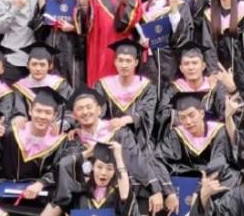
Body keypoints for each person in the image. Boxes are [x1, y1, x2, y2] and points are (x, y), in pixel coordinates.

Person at [53, 87, 175, 215]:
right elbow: (67, 171)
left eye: (89, 107)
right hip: (87, 197)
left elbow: (136, 161)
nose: (85, 112)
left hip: (121, 194)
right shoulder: (74, 140)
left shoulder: (118, 133)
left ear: (99, 110)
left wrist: (155, 189)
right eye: (80, 108)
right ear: (74, 115)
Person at [0, 87, 69, 215]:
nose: (42, 116)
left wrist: (41, 183)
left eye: (47, 113)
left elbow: (63, 169)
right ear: (30, 110)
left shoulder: (61, 142)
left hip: (39, 197)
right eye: (38, 111)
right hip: (3, 193)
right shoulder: (10, 133)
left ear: (55, 116)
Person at [155, 91, 238, 187]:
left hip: (213, 181)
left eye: (191, 115)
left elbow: (220, 161)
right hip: (185, 183)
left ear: (201, 113)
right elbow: (159, 158)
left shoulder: (218, 131)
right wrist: (191, 172)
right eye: (182, 117)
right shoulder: (176, 134)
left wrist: (197, 173)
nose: (188, 122)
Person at [137, 0, 194, 86]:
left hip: (170, 60)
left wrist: (174, 11)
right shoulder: (144, 7)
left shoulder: (180, 5)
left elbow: (183, 35)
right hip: (148, 61)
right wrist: (140, 42)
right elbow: (137, 34)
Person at [155, 42, 228, 137]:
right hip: (181, 138)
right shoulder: (173, 89)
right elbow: (162, 115)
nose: (191, 67)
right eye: (186, 64)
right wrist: (189, 117)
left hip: (210, 137)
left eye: (195, 63)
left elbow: (225, 114)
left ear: (203, 66)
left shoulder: (215, 87)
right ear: (181, 68)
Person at [33, 0, 86, 88]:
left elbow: (87, 24)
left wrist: (73, 28)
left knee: (73, 81)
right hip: (52, 42)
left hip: (73, 46)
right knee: (52, 81)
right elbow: (37, 24)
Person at [43, 142, 137, 216]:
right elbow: (63, 165)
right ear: (92, 167)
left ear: (114, 172)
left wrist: (119, 157)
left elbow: (125, 195)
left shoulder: (117, 194)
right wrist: (87, 153)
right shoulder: (79, 192)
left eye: (109, 169)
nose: (103, 173)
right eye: (99, 167)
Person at [94, 39, 157, 147]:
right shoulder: (103, 85)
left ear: (136, 62)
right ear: (115, 62)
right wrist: (109, 124)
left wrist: (125, 120)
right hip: (110, 135)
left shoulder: (147, 87)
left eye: (128, 61)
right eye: (121, 60)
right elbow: (98, 113)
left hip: (138, 140)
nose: (124, 65)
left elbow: (147, 112)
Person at [11, 41, 74, 120]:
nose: (38, 68)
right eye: (34, 64)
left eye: (42, 65)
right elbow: (18, 112)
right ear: (27, 65)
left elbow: (71, 110)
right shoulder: (20, 88)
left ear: (50, 66)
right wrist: (19, 119)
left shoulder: (60, 85)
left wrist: (61, 125)